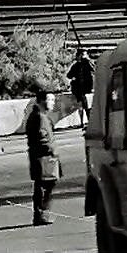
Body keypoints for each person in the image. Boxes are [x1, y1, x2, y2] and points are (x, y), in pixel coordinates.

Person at [25, 86, 60, 226]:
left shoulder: (40, 116)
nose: (53, 102)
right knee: (45, 185)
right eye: (50, 99)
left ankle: (41, 214)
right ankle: (41, 215)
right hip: (43, 157)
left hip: (42, 156)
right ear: (41, 101)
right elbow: (42, 137)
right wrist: (52, 150)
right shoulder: (39, 117)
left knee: (44, 185)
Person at [66, 50, 95, 127]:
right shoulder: (76, 66)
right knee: (83, 106)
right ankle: (85, 122)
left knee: (85, 106)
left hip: (86, 89)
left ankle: (86, 122)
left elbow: (94, 69)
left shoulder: (87, 64)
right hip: (80, 89)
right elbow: (69, 75)